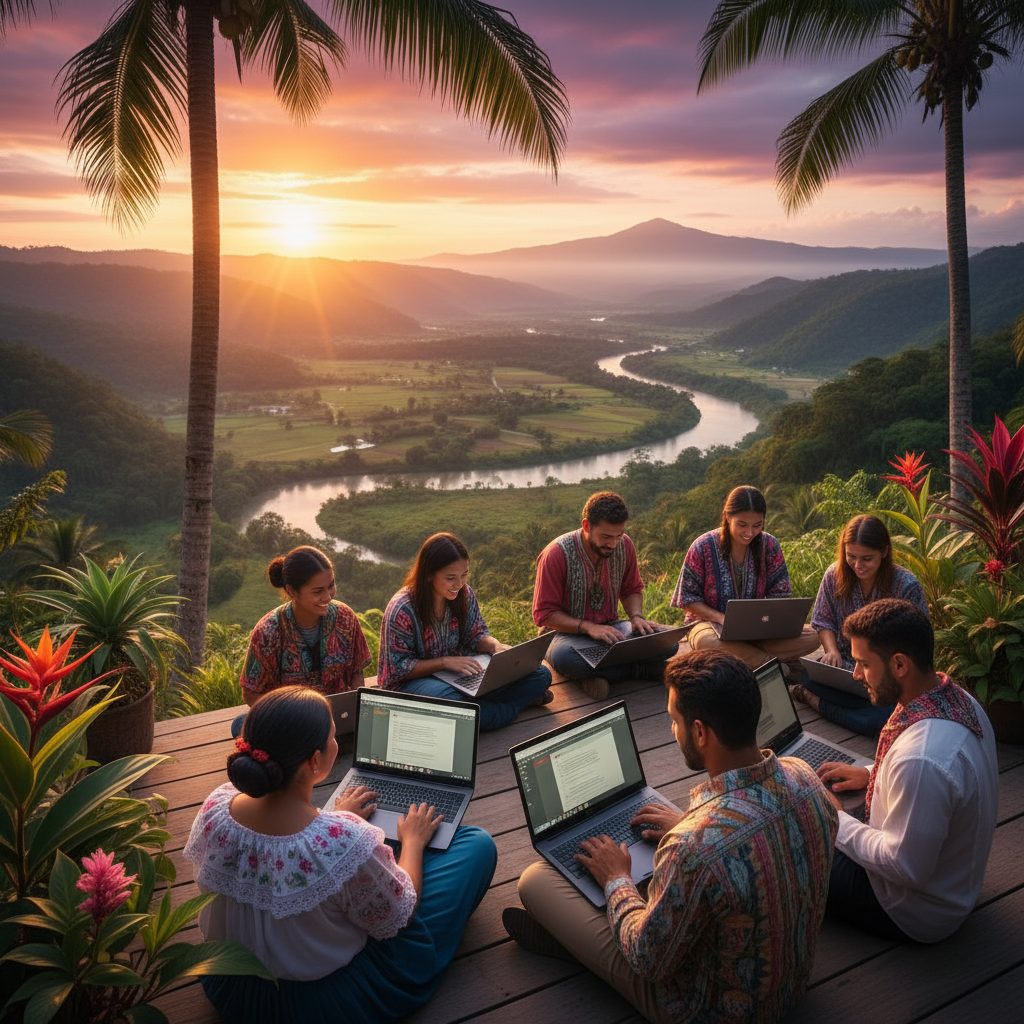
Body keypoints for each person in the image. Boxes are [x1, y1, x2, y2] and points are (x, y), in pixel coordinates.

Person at [504, 649, 838, 1024]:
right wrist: (687, 825)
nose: (672, 730)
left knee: (535, 881)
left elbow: (646, 957)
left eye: (674, 720)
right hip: (790, 985)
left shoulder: (692, 848)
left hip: (706, 1009)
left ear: (700, 731)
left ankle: (574, 945)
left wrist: (617, 879)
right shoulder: (805, 777)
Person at [184, 686, 497, 1024]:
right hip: (321, 1004)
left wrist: (335, 817)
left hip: (233, 984)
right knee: (477, 845)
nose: (337, 743)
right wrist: (413, 842)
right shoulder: (342, 841)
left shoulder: (217, 807)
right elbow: (401, 914)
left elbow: (274, 841)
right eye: (334, 736)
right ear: (315, 761)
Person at [818, 599, 998, 943]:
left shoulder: (922, 759)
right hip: (951, 884)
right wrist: (873, 773)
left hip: (911, 909)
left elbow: (905, 868)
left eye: (863, 664)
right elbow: (944, 781)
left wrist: (835, 819)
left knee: (789, 845)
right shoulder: (957, 700)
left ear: (899, 664)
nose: (856, 675)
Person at [378, 532, 552, 730]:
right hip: (417, 683)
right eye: (450, 578)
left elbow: (475, 635)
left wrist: (495, 646)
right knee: (452, 701)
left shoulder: (464, 594)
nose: (459, 584)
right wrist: (444, 662)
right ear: (428, 574)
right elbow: (398, 668)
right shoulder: (402, 609)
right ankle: (509, 709)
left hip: (462, 675)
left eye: (464, 575)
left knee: (541, 675)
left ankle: (482, 713)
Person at [789, 515, 928, 736]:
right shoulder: (835, 574)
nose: (857, 565)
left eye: (867, 558)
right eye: (851, 556)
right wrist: (831, 651)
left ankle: (813, 700)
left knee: (880, 722)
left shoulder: (906, 586)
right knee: (810, 675)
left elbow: (916, 646)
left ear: (884, 552)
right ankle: (855, 704)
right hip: (845, 669)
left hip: (885, 678)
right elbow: (823, 620)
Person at [533, 490, 671, 701]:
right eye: (606, 537)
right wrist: (588, 627)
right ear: (587, 526)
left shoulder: (625, 545)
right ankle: (640, 670)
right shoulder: (556, 554)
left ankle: (601, 674)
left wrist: (636, 618)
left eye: (618, 535)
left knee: (668, 643)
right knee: (567, 659)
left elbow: (631, 589)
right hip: (563, 636)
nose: (614, 544)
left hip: (610, 629)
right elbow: (544, 614)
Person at [672, 484, 817, 675]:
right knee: (706, 642)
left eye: (757, 525)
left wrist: (765, 623)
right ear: (727, 517)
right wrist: (722, 619)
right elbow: (688, 599)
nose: (749, 532)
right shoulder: (702, 546)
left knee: (813, 636)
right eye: (742, 524)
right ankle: (771, 666)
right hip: (709, 627)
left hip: (757, 630)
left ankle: (745, 660)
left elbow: (780, 594)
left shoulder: (770, 545)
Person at [233, 545, 370, 738]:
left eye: (331, 585)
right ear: (292, 591)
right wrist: (284, 720)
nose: (328, 596)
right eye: (317, 591)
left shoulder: (345, 618)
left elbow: (357, 672)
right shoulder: (268, 631)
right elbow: (251, 693)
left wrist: (358, 711)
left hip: (337, 720)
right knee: (241, 725)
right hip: (292, 725)